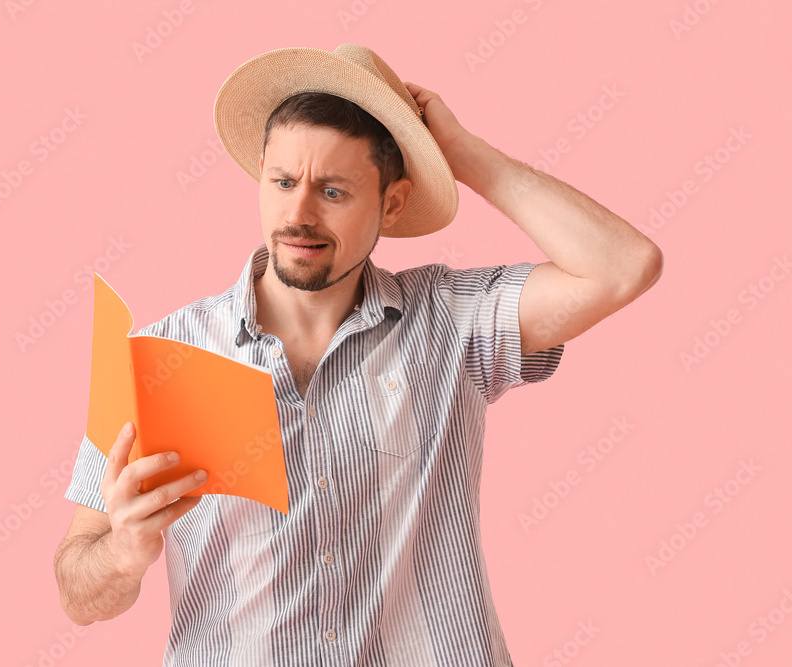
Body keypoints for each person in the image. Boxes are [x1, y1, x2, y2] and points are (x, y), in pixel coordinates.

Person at [53, 44, 662, 666]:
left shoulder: (452, 322)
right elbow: (79, 592)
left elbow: (623, 267)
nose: (298, 214)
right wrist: (125, 549)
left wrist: (464, 157)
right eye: (283, 182)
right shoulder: (162, 358)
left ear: (391, 204)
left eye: (334, 191)